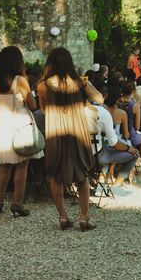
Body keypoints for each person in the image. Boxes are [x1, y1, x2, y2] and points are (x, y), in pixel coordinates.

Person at [36, 48, 103, 230]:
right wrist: (86, 83)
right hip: (77, 130)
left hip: (55, 131)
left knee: (55, 173)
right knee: (82, 173)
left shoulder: (43, 85)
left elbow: (43, 109)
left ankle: (63, 217)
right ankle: (83, 217)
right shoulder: (78, 82)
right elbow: (100, 99)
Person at [0, 46, 43, 217]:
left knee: (4, 165)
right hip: (19, 122)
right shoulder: (20, 80)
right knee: (22, 164)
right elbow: (33, 105)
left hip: (4, 122)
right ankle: (17, 203)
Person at [118, 81, 141, 170]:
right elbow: (137, 126)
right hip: (130, 133)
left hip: (117, 131)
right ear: (133, 91)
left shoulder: (117, 101)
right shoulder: (135, 105)